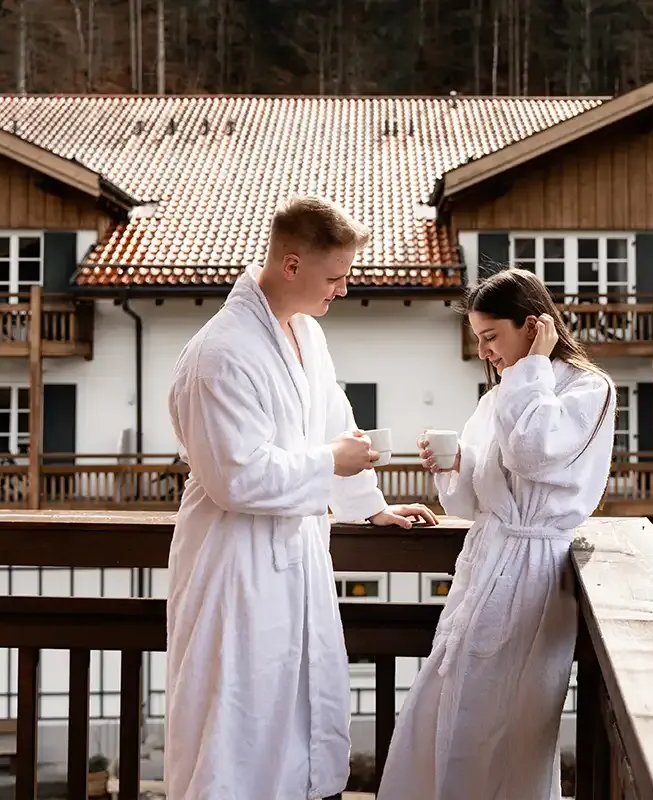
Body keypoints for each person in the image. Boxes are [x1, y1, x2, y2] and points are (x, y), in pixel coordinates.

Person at [165, 195, 437, 800]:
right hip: (235, 567)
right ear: (292, 265)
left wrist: (368, 503)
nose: (342, 290)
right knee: (235, 725)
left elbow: (336, 422)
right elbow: (234, 477)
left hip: (297, 557)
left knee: (298, 718)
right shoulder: (220, 353)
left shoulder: (307, 336)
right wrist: (329, 463)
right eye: (335, 277)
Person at [376, 267, 616, 800]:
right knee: (451, 710)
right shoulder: (497, 398)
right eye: (478, 339)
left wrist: (530, 367)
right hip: (486, 562)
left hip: (535, 574)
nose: (485, 351)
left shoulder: (589, 389)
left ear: (532, 326)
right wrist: (450, 467)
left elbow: (535, 454)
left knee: (510, 726)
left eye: (491, 337)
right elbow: (467, 503)